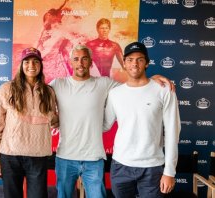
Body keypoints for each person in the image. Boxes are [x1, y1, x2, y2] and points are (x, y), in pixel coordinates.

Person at [49, 44, 174, 198]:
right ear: (70, 62)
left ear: (90, 61)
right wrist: (51, 116)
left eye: (84, 59)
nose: (80, 63)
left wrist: (152, 79)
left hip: (94, 158)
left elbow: (135, 86)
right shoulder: (57, 84)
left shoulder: (105, 83)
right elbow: (38, 97)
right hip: (65, 157)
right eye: (76, 59)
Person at [103, 42, 181, 198]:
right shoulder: (115, 93)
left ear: (147, 63)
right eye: (130, 59)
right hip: (120, 165)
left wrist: (169, 171)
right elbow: (104, 125)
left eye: (139, 59)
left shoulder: (164, 90)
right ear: (124, 63)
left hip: (152, 167)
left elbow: (173, 131)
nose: (134, 64)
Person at [0, 47, 58, 198]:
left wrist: (53, 117)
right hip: (10, 155)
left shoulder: (49, 92)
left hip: (38, 156)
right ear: (21, 65)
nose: (31, 65)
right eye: (26, 61)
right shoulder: (6, 89)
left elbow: (54, 122)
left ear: (40, 65)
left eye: (35, 61)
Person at [86, 18, 126, 82]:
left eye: (106, 28)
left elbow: (124, 65)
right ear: (97, 29)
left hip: (108, 80)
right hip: (92, 80)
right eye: (102, 28)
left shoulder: (114, 45)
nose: (104, 30)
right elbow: (83, 64)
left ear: (109, 30)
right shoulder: (90, 45)